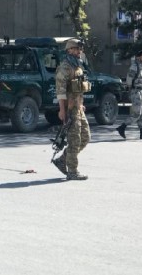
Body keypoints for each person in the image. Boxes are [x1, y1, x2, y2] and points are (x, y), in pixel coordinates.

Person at [52, 39, 91, 181]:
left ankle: (63, 160)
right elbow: (60, 92)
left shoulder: (78, 67)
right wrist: (62, 110)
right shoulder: (64, 67)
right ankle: (72, 171)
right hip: (69, 109)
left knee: (86, 137)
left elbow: (79, 88)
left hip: (78, 107)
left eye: (79, 49)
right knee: (74, 140)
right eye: (76, 49)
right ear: (69, 50)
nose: (78, 51)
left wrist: (81, 104)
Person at [116, 50, 142, 140]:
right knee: (137, 113)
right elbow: (129, 78)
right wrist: (130, 88)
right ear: (138, 57)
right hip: (136, 92)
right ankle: (122, 127)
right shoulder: (134, 66)